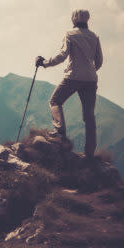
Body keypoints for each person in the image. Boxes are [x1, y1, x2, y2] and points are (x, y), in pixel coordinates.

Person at [35, 9, 103, 157]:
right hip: (91, 79)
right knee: (89, 116)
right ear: (87, 20)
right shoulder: (95, 37)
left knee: (55, 101)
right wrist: (89, 70)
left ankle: (59, 133)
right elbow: (99, 62)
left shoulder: (70, 35)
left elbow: (62, 56)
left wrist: (45, 63)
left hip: (73, 76)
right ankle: (90, 153)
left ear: (73, 20)